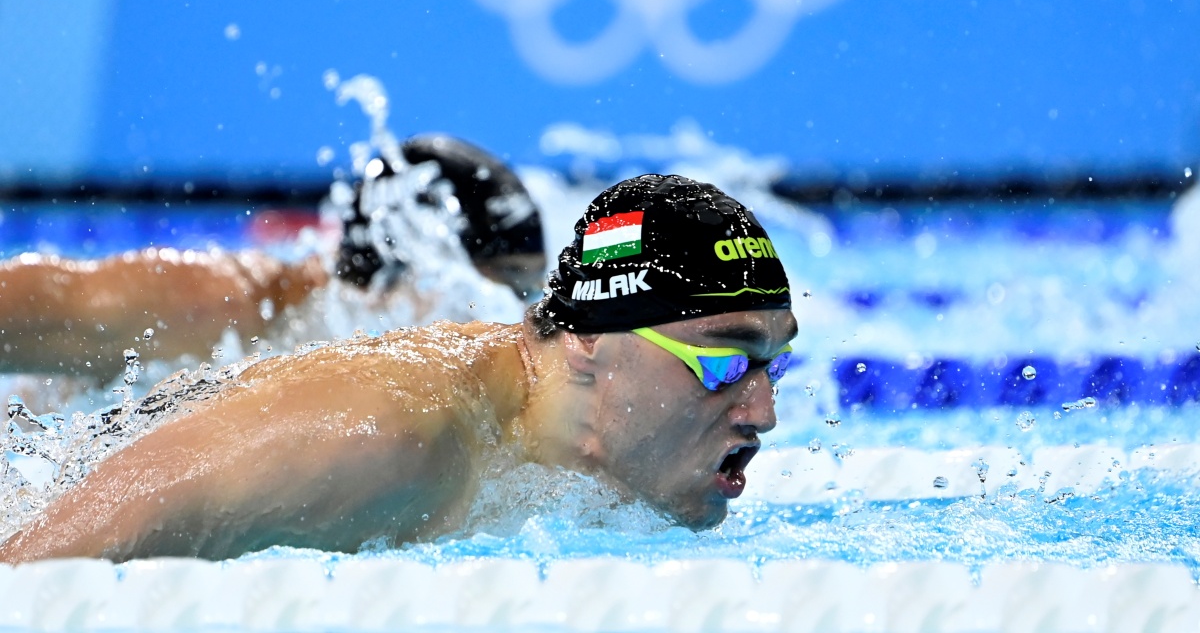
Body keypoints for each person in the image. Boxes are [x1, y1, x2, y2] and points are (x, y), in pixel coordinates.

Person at [0, 174, 797, 563]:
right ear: (589, 338)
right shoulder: (383, 439)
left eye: (774, 365)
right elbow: (31, 574)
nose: (762, 413)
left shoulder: (543, 436)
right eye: (727, 364)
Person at [0, 135, 546, 379]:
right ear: (423, 268)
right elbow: (64, 304)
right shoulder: (232, 304)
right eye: (513, 286)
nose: (524, 311)